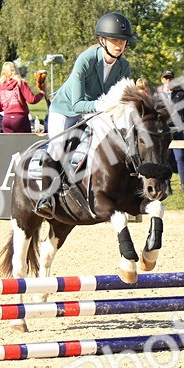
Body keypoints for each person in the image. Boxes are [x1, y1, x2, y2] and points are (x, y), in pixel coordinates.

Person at [36, 11, 136, 218]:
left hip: (95, 110)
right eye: (115, 39)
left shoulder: (124, 66)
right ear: (102, 40)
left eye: (124, 41)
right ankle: (45, 196)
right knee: (57, 147)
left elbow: (119, 100)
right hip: (65, 110)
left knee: (112, 141)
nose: (120, 45)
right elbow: (78, 104)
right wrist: (105, 104)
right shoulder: (86, 60)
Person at [159, 70, 184, 197]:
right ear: (162, 80)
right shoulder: (158, 94)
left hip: (178, 129)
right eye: (166, 78)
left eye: (170, 78)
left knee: (180, 157)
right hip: (164, 130)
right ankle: (167, 186)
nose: (168, 81)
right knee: (165, 158)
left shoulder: (180, 93)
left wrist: (180, 123)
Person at [0, 62, 45, 133]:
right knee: (25, 142)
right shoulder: (20, 83)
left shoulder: (0, 87)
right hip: (20, 118)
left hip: (7, 119)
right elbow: (32, 100)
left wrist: (7, 106)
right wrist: (41, 94)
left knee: (9, 143)